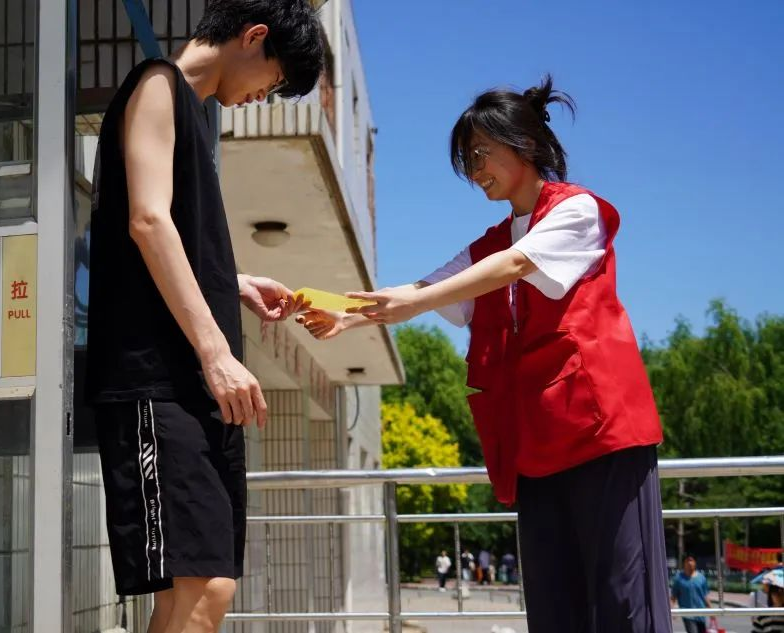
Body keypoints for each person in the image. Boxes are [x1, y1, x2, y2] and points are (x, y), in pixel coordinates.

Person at [297, 75, 670, 632]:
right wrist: (344, 315)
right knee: (554, 605)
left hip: (601, 432)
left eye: (480, 154)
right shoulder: (489, 246)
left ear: (526, 144)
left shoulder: (577, 211)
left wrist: (418, 299)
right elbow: (422, 290)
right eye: (467, 160)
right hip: (533, 441)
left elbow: (514, 265)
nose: (474, 172)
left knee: (623, 600)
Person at [84, 2, 324, 632]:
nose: (262, 96)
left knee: (196, 588)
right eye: (273, 81)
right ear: (254, 36)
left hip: (188, 386)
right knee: (203, 586)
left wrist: (232, 284)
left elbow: (167, 232)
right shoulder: (157, 84)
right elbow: (147, 221)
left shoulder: (190, 109)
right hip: (157, 380)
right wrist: (217, 352)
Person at [671, 555, 711, 633]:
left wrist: (712, 612)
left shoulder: (701, 578)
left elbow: (705, 596)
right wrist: (672, 611)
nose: (690, 563)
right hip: (687, 615)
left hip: (701, 614)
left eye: (691, 560)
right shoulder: (679, 579)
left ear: (695, 563)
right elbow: (673, 597)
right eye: (687, 561)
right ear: (684, 563)